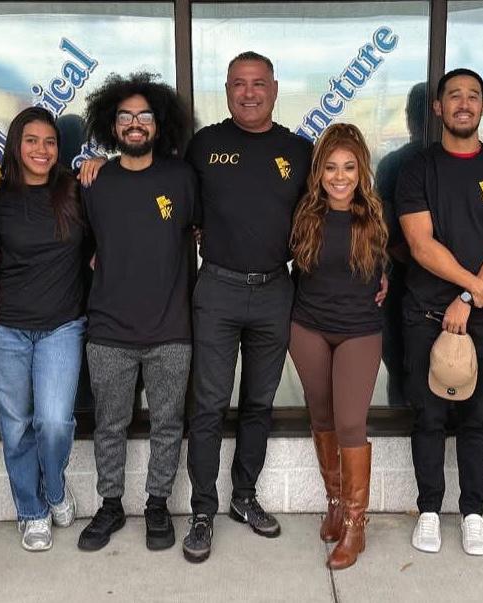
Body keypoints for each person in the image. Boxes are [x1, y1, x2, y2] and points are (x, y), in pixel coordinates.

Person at [179, 51, 313, 563]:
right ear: (227, 91)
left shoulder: (298, 151)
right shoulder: (204, 145)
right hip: (217, 288)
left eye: (258, 83)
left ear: (274, 89)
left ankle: (244, 496)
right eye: (239, 83)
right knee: (209, 405)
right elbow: (170, 197)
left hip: (275, 289)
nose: (249, 92)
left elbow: (323, 220)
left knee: (259, 402)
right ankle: (202, 511)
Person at [395, 68, 483, 556]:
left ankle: (473, 513)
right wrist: (472, 287)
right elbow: (420, 244)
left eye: (473, 96)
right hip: (426, 314)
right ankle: (429, 510)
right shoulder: (416, 169)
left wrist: (469, 300)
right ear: (438, 108)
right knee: (428, 417)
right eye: (454, 96)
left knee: (477, 418)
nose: (464, 103)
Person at [75, 73, 195, 552]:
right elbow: (77, 244)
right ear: (112, 124)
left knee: (168, 424)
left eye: (144, 115)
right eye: (125, 116)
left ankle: (157, 504)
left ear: (159, 123)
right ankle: (110, 506)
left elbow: (206, 230)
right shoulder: (94, 181)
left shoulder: (182, 178)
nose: (135, 123)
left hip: (171, 329)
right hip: (109, 331)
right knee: (109, 425)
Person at [0, 106, 87, 552]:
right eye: (32, 141)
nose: (42, 150)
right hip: (3, 328)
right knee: (17, 426)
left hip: (62, 324)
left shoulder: (75, 191)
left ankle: (54, 487)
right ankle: (31, 510)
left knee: (55, 421)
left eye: (50, 142)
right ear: (16, 146)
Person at [288, 123, 388, 569]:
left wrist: (387, 277)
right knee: (322, 417)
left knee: (350, 423)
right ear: (319, 172)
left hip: (359, 331)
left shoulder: (376, 217)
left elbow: (397, 260)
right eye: (330, 167)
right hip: (307, 326)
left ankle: (354, 524)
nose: (340, 176)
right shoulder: (304, 214)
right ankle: (334, 502)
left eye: (348, 167)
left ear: (361, 170)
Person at [375, 82, 427, 407]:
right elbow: (384, 229)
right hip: (402, 280)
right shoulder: (394, 164)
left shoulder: (396, 163)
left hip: (433, 284)